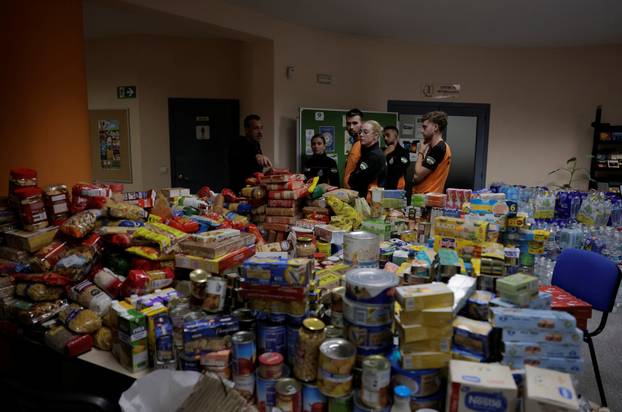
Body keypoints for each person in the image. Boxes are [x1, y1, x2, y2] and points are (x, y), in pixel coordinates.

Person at [405, 111, 452, 199]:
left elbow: (417, 176)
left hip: (427, 198)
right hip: (424, 196)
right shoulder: (434, 147)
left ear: (435, 127)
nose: (422, 131)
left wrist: (421, 152)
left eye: (424, 127)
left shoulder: (439, 148)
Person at [228, 114, 272, 192]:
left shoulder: (256, 144)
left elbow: (253, 171)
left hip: (255, 191)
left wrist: (267, 174)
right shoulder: (238, 143)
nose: (260, 132)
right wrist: (257, 155)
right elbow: (246, 153)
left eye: (261, 128)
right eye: (256, 128)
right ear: (247, 130)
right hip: (240, 192)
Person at [348, 120, 387, 198]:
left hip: (369, 200)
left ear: (375, 136)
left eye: (365, 132)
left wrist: (353, 176)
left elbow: (354, 180)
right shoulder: (367, 152)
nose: (361, 135)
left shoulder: (375, 156)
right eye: (360, 132)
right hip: (364, 198)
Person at [342, 108, 364, 189]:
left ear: (362, 124)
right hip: (349, 193)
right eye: (348, 123)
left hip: (358, 194)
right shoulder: (355, 144)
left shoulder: (364, 144)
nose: (351, 127)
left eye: (355, 123)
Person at [383, 125, 410, 190]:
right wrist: (385, 154)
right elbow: (377, 168)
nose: (385, 138)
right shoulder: (382, 151)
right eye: (384, 136)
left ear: (396, 137)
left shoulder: (403, 152)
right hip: (383, 187)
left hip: (397, 187)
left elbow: (400, 169)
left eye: (388, 135)